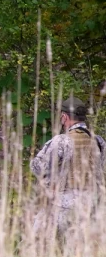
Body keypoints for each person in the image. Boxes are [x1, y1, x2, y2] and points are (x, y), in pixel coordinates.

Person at [30, 97, 105, 237]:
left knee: (36, 243)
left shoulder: (62, 140)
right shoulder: (98, 141)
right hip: (92, 205)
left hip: (63, 204)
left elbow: (38, 167)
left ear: (64, 117)